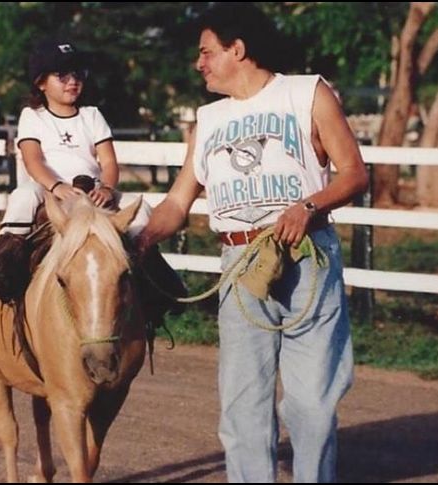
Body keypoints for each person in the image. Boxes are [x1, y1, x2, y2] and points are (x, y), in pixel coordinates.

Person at [135, 4, 368, 483]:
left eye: (206, 52)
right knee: (244, 401)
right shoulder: (208, 120)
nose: (199, 63)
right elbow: (178, 202)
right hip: (240, 263)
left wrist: (309, 206)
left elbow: (354, 174)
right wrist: (136, 237)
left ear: (236, 49)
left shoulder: (307, 93)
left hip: (307, 254)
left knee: (312, 402)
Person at [0, 39, 184, 316]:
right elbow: (33, 160)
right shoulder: (33, 116)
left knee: (141, 212)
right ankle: (6, 264)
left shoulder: (91, 115)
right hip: (48, 190)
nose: (72, 81)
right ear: (41, 83)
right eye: (62, 75)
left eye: (77, 74)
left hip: (92, 190)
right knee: (21, 198)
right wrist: (56, 186)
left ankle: (155, 281)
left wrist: (106, 187)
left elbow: (108, 161)